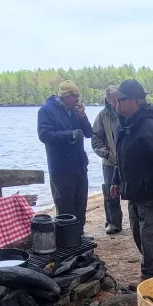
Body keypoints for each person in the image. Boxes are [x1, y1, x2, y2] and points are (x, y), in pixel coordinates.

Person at [110, 80, 153, 280]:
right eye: (116, 100)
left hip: (151, 193)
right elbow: (120, 157)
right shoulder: (122, 125)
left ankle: (150, 278)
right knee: (138, 235)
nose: (117, 103)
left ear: (136, 103)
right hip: (133, 191)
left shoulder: (150, 127)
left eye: (122, 100)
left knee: (149, 238)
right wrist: (116, 180)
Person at [38, 80, 93, 233]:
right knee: (65, 205)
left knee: (81, 202)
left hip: (79, 165)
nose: (77, 100)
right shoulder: (46, 110)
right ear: (64, 96)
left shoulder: (75, 110)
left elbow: (88, 133)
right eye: (75, 96)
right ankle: (67, 237)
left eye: (78, 96)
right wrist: (70, 135)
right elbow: (44, 135)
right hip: (61, 168)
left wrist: (82, 116)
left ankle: (80, 233)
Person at [91, 85, 124, 234]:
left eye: (119, 98)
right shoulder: (102, 116)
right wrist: (106, 153)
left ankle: (138, 221)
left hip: (129, 161)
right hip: (110, 162)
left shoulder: (127, 111)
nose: (116, 102)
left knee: (135, 191)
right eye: (113, 99)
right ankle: (113, 222)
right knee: (110, 193)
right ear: (107, 99)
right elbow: (96, 139)